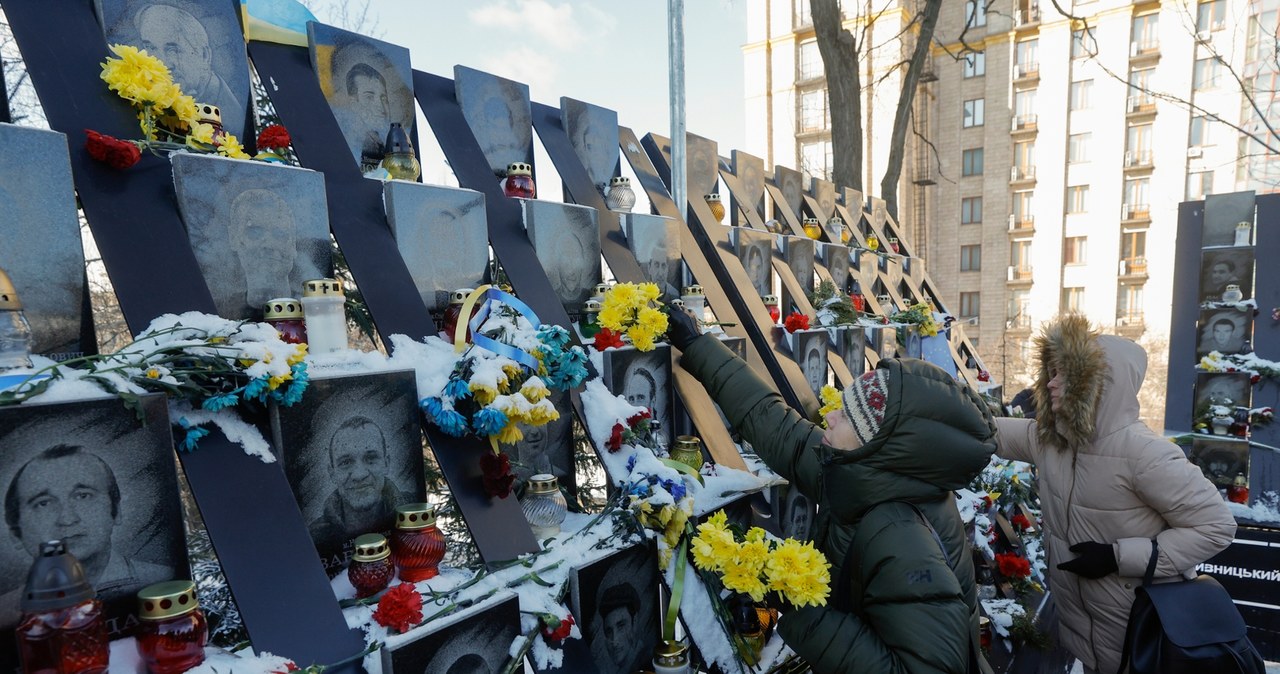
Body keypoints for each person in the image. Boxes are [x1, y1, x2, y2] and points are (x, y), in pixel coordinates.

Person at [667, 310, 997, 673]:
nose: (831, 416)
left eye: (846, 415)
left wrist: (803, 609)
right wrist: (698, 346)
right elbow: (780, 430)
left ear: (873, 445)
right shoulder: (867, 473)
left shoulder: (901, 539)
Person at [992, 314, 1235, 674]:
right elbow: (988, 431)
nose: (1051, 384)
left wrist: (1118, 557)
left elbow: (1216, 526)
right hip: (1091, 633)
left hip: (1146, 633)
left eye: (1064, 375)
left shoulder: (1144, 453)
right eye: (1051, 373)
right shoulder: (1053, 442)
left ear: (1097, 385)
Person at [0, 445, 173, 628]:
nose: (67, 519)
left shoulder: (165, 581)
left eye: (83, 496)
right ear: (15, 533)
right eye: (43, 504)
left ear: (116, 511)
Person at [309, 417, 412, 545]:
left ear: (386, 463)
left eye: (371, 458)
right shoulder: (313, 537)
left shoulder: (415, 509)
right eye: (345, 462)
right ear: (332, 473)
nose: (359, 474)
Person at [135, 4, 240, 126]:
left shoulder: (232, 119)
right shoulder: (149, 105)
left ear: (204, 55)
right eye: (151, 48)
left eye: (173, 50)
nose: (163, 64)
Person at [344, 62, 390, 163]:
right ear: (353, 104)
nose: (380, 106)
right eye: (369, 97)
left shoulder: (389, 146)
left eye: (383, 98)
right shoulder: (345, 146)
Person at [594, 581, 643, 674]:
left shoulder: (650, 661)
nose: (614, 641)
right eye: (609, 631)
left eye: (621, 626)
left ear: (635, 622)